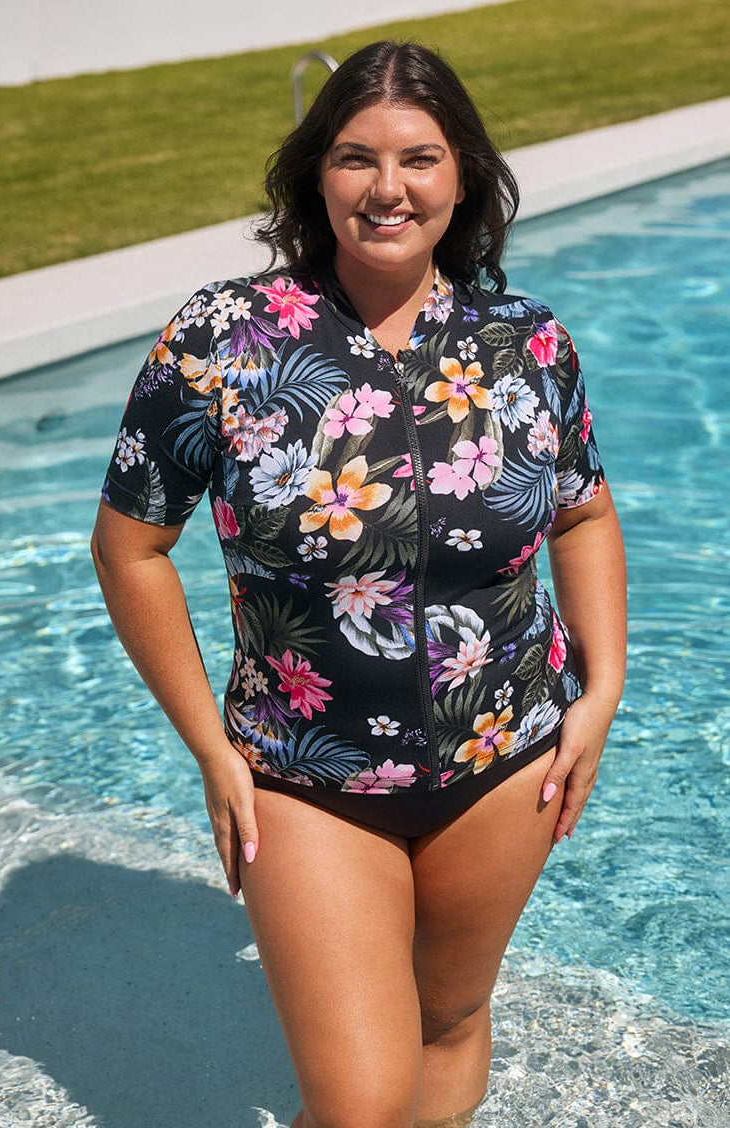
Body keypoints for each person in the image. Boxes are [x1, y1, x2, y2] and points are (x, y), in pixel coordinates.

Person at [91, 40, 626, 1128]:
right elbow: (130, 546)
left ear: (463, 174)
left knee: (446, 1023)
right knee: (360, 1104)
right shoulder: (224, 341)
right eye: (354, 158)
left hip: (502, 758)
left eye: (419, 158)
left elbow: (581, 509)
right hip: (302, 772)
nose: (388, 189)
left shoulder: (526, 343)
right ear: (314, 175)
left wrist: (601, 688)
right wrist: (209, 748)